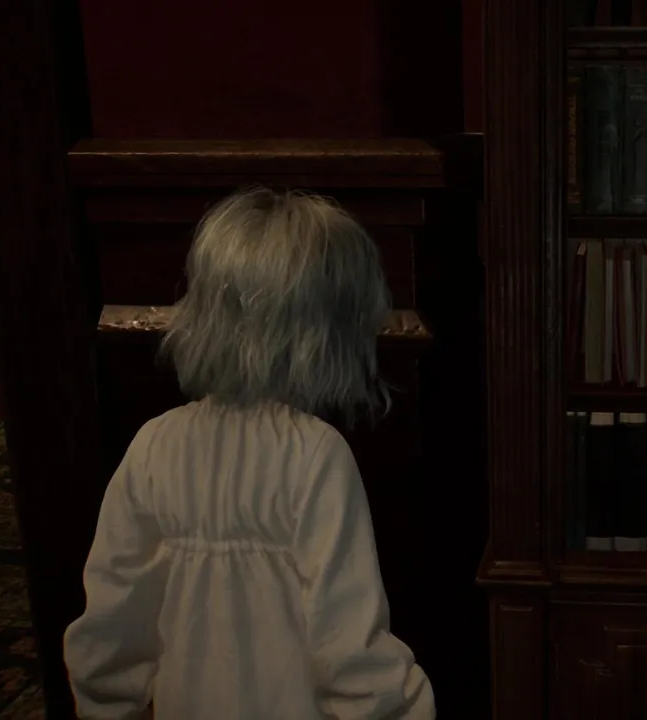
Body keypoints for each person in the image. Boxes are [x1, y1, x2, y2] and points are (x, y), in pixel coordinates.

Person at [63, 188, 434, 719]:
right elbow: (349, 646)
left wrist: (107, 706)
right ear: (329, 332)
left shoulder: (152, 444)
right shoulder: (314, 454)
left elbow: (112, 620)